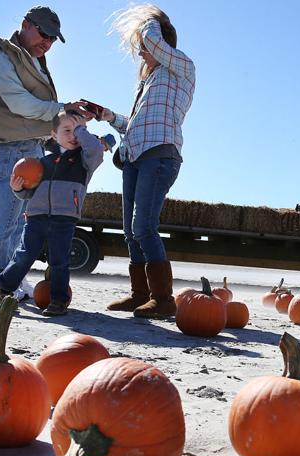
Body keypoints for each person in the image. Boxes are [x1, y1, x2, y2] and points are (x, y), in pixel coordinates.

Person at [0, 6, 90, 297]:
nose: (48, 42)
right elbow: (18, 103)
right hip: (12, 145)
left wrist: (68, 119)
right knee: (7, 211)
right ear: (26, 25)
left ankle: (9, 276)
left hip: (32, 145)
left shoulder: (33, 58)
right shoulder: (4, 55)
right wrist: (60, 109)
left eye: (53, 39)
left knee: (21, 216)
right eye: (43, 33)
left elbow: (42, 110)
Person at [101, 4, 194, 319]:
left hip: (160, 155)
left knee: (144, 226)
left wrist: (152, 18)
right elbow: (135, 125)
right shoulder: (147, 83)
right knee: (130, 230)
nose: (141, 53)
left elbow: (154, 42)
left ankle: (163, 299)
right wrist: (108, 116)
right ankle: (140, 294)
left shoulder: (182, 68)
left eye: (143, 47)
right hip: (134, 158)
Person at [0, 110, 109, 317]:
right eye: (68, 130)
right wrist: (18, 189)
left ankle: (59, 301)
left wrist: (80, 128)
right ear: (54, 135)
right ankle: (3, 286)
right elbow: (27, 194)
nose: (74, 135)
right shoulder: (41, 163)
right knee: (25, 254)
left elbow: (97, 151)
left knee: (59, 260)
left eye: (79, 131)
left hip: (64, 219)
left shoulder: (84, 161)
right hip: (36, 217)